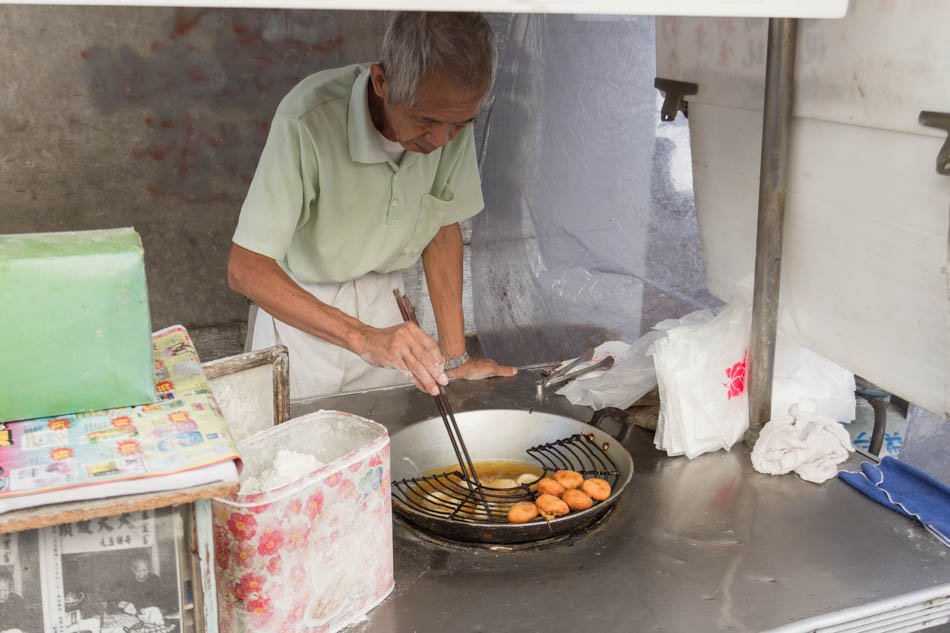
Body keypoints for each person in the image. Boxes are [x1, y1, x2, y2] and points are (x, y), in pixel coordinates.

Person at [228, 12, 516, 399]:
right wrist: (363, 338)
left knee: (397, 446)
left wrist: (454, 356)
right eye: (426, 120)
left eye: (461, 124)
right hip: (306, 321)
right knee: (301, 454)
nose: (442, 139)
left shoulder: (448, 125)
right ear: (382, 82)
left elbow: (442, 226)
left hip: (389, 312)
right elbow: (246, 269)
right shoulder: (307, 120)